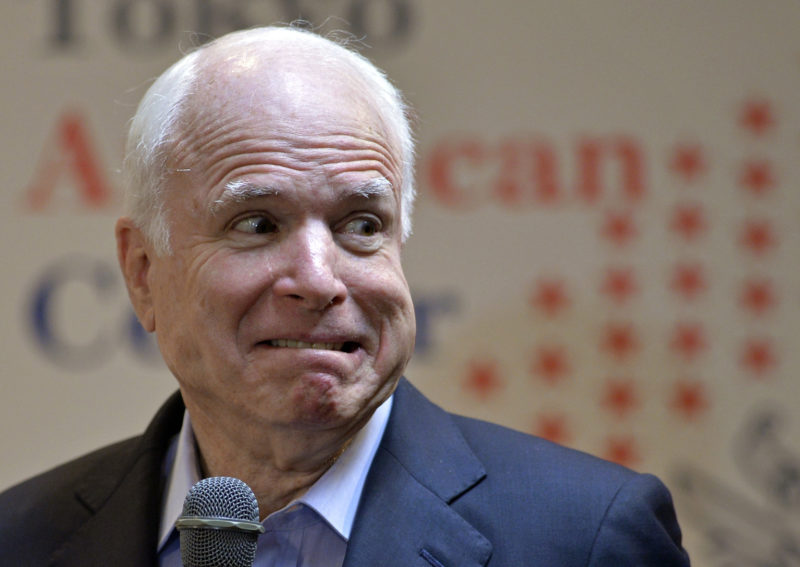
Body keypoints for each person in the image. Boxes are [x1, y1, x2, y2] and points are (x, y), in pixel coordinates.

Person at [0, 26, 690, 566]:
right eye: (257, 224)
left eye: (361, 225)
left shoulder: (587, 539)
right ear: (143, 272)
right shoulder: (21, 539)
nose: (319, 278)